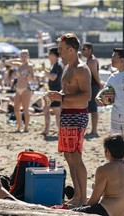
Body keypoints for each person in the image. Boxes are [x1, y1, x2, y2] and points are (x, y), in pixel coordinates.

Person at [46, 33, 91, 207]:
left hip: (77, 115)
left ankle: (83, 198)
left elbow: (87, 96)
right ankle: (78, 195)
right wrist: (57, 97)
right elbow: (67, 94)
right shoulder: (66, 67)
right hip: (67, 115)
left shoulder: (81, 69)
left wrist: (61, 97)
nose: (59, 52)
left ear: (71, 49)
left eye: (61, 49)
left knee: (76, 157)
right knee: (69, 156)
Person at [72, 134, 124, 216]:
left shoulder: (105, 169)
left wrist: (83, 208)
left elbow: (94, 201)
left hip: (105, 211)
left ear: (107, 151)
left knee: (71, 212)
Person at [5, 49, 35, 132]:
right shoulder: (18, 65)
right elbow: (7, 62)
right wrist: (17, 59)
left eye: (25, 56)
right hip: (18, 89)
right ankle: (19, 125)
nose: (23, 57)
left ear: (28, 57)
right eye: (22, 56)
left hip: (26, 89)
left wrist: (28, 76)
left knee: (25, 109)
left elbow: (33, 79)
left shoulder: (30, 66)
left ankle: (26, 127)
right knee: (16, 110)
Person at [81, 42, 103, 137]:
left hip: (93, 86)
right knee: (90, 108)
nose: (82, 51)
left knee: (93, 109)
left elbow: (95, 74)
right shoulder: (89, 60)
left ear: (89, 50)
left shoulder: (92, 61)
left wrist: (100, 84)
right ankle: (93, 130)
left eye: (84, 49)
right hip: (91, 86)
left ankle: (94, 130)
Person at [41, 46, 63, 135]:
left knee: (56, 112)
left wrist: (44, 70)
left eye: (49, 54)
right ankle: (47, 129)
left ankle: (59, 131)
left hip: (55, 92)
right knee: (46, 110)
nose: (48, 55)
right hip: (52, 91)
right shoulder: (55, 65)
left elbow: (53, 77)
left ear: (54, 55)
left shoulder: (57, 65)